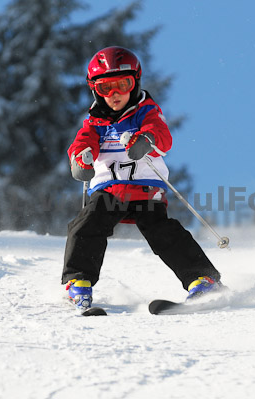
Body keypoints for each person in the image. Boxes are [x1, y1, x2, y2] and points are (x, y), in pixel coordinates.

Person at [63, 46, 223, 310]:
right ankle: (78, 282)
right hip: (110, 190)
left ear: (135, 83)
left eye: (122, 85)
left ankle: (202, 279)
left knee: (162, 231)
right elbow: (81, 143)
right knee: (87, 224)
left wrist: (146, 141)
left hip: (145, 188)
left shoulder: (145, 112)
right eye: (106, 88)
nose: (115, 95)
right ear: (95, 90)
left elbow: (161, 134)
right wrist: (80, 159)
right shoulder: (94, 122)